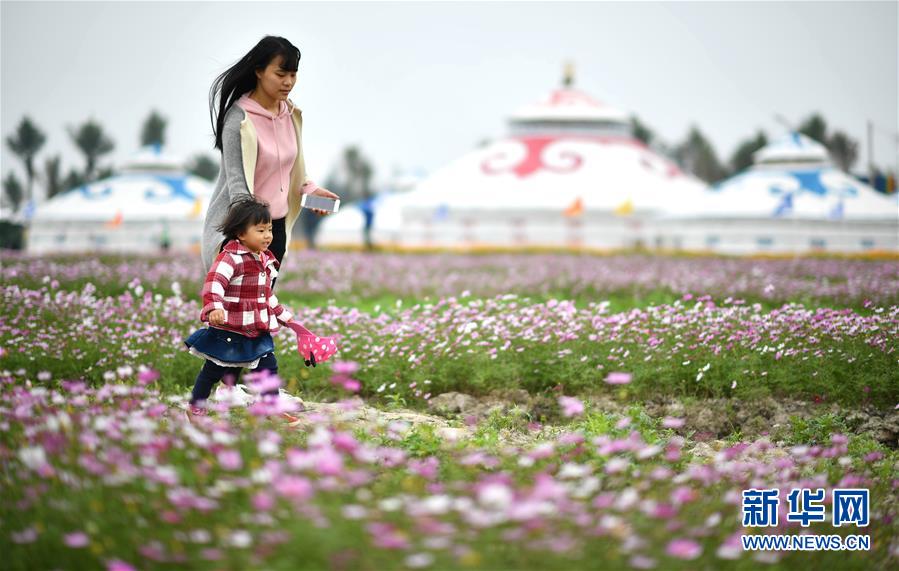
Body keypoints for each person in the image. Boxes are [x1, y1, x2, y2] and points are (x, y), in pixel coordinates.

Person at [205, 35, 339, 283]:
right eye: (280, 74)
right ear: (258, 71)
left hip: (274, 231)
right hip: (242, 232)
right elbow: (237, 187)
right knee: (235, 313)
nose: (288, 82)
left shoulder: (290, 114)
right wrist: (252, 238)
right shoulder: (239, 120)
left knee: (260, 310)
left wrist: (311, 191)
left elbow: (290, 169)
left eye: (293, 74)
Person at [184, 197, 298, 421]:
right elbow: (214, 283)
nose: (268, 236)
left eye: (270, 229)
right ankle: (196, 406)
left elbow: (265, 294)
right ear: (241, 234)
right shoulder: (230, 258)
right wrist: (214, 307)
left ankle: (270, 408)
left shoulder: (265, 259)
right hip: (230, 327)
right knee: (213, 370)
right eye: (260, 230)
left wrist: (283, 315)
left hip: (256, 327)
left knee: (268, 368)